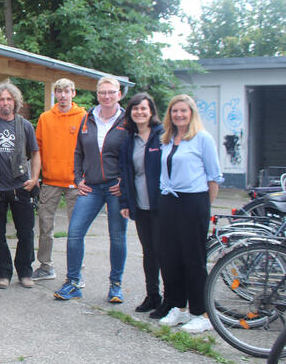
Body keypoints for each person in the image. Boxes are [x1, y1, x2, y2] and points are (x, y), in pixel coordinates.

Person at [54, 76, 128, 303]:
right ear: (97, 94)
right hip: (91, 187)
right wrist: (78, 179)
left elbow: (134, 155)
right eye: (102, 92)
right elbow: (78, 152)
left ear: (119, 94)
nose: (106, 96)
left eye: (111, 92)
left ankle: (116, 285)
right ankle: (73, 282)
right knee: (74, 233)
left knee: (117, 237)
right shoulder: (88, 118)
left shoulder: (127, 121)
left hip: (116, 188)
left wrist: (124, 182)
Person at [155, 94, 223, 333]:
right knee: (170, 258)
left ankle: (202, 313)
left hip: (193, 202)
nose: (179, 115)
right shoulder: (167, 138)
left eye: (183, 111)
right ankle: (179, 308)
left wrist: (204, 207)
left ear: (191, 113)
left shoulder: (202, 139)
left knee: (193, 260)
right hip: (168, 202)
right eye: (175, 111)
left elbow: (214, 177)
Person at [0, 80, 41, 289]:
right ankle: (3, 273)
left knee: (26, 232)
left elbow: (35, 153)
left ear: (15, 102)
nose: (5, 103)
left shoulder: (24, 124)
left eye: (9, 99)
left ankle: (25, 272)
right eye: (1, 99)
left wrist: (35, 178)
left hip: (21, 188)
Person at [32, 78, 86, 281]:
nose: (63, 95)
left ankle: (76, 272)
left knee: (76, 230)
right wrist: (35, 176)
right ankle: (46, 266)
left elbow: (89, 149)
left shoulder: (83, 117)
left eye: (67, 91)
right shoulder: (45, 118)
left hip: (75, 183)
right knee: (45, 227)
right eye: (59, 91)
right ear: (55, 94)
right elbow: (37, 150)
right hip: (50, 181)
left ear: (74, 93)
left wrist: (85, 177)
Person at [118, 93, 165, 314]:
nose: (139, 112)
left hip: (162, 206)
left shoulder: (163, 136)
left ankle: (171, 299)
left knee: (164, 251)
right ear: (130, 113)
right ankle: (152, 295)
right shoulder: (129, 140)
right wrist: (125, 201)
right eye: (135, 109)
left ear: (151, 111)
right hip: (141, 205)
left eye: (143, 109)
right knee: (149, 252)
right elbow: (125, 173)